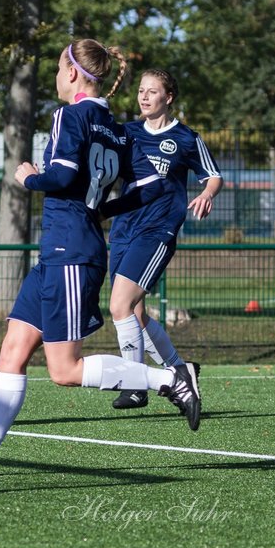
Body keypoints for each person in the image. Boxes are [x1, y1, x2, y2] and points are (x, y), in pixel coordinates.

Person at [0, 40, 201, 478]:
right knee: (13, 351)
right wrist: (101, 209)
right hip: (62, 248)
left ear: (73, 74)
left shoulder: (70, 114)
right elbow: (148, 187)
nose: (56, 76)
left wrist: (29, 176)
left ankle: (169, 379)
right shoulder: (113, 125)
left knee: (64, 370)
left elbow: (64, 176)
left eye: (58, 68)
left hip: (70, 252)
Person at [106, 69, 224, 410]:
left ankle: (135, 383)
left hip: (158, 229)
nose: (143, 97)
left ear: (168, 97)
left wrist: (208, 194)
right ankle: (179, 372)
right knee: (135, 313)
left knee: (120, 306)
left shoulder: (186, 138)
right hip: (124, 226)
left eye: (152, 91)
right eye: (141, 91)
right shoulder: (127, 132)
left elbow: (213, 175)